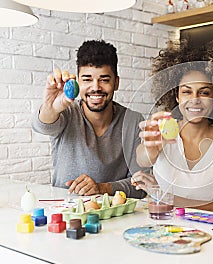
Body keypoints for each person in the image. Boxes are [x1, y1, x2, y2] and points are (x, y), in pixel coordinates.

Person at [132, 39, 213, 213]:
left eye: (204, 92)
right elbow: (142, 158)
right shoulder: (163, 131)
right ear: (176, 96)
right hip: (160, 227)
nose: (195, 99)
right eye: (186, 91)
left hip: (209, 233)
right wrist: (150, 149)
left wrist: (162, 195)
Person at [32, 40, 146, 199]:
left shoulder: (133, 121)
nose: (95, 87)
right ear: (78, 81)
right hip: (64, 214)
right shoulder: (66, 113)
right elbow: (42, 126)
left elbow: (141, 185)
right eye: (87, 79)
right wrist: (50, 108)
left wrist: (102, 188)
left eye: (104, 80)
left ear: (117, 83)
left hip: (115, 217)